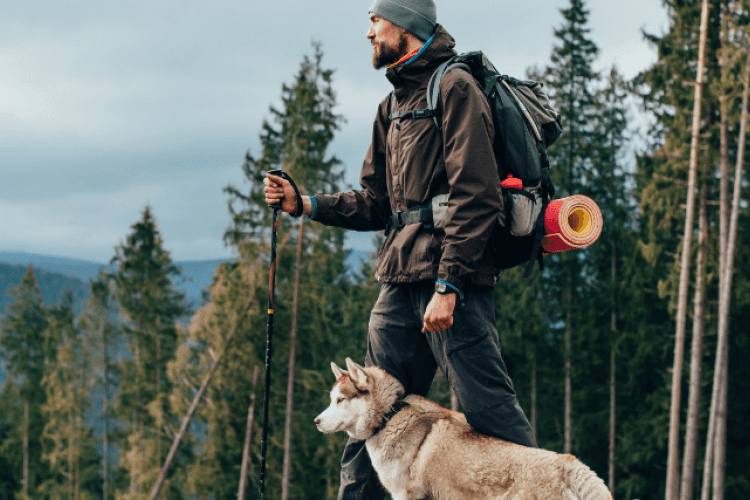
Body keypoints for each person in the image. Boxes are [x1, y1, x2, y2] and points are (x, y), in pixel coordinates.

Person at [264, 1, 537, 498]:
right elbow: (375, 204)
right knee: (367, 421)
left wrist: (449, 285)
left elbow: (477, 197)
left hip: (454, 289)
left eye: (375, 20)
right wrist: (304, 203)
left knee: (490, 415)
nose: (368, 32)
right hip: (398, 287)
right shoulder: (391, 107)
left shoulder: (455, 89)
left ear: (406, 24)